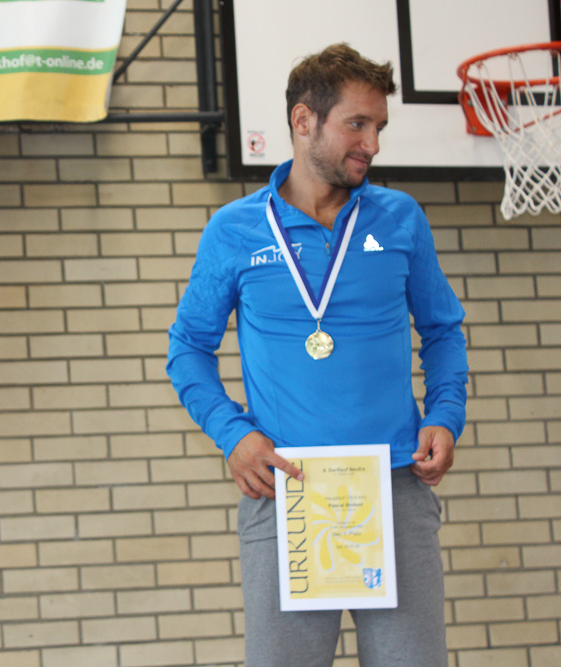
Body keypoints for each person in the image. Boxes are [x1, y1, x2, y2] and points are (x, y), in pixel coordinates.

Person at [166, 44, 467, 666]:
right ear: (304, 120)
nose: (372, 144)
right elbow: (188, 348)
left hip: (395, 486)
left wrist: (445, 413)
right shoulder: (234, 230)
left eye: (379, 126)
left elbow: (442, 330)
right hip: (286, 491)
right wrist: (234, 435)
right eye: (357, 124)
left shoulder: (401, 218)